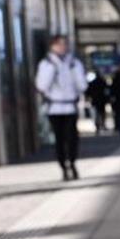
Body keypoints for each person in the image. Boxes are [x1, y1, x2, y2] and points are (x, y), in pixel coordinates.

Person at [35, 35, 87, 181]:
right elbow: (41, 86)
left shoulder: (74, 63)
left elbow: (82, 85)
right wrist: (52, 69)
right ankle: (63, 167)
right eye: (59, 44)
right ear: (52, 46)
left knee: (72, 139)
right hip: (54, 108)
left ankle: (72, 162)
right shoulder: (46, 64)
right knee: (59, 139)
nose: (62, 47)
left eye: (64, 44)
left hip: (70, 107)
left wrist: (73, 71)